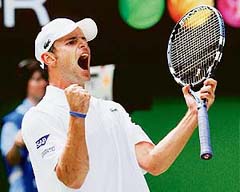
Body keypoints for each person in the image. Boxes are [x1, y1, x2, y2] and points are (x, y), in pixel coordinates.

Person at [21, 18, 217, 192]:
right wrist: (77, 116)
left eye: (84, 41)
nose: (84, 46)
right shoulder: (38, 117)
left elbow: (153, 162)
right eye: (72, 42)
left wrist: (193, 114)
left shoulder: (112, 110)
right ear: (49, 58)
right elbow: (72, 178)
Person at [1, 59, 48, 192]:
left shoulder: (47, 115)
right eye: (37, 79)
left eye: (44, 79)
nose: (43, 83)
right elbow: (10, 160)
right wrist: (17, 144)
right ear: (26, 84)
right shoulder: (14, 120)